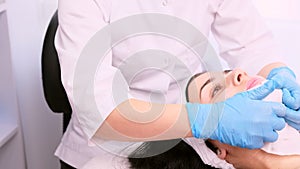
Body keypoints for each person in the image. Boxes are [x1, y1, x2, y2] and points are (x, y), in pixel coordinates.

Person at [55, 0, 300, 168]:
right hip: (111, 144)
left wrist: (279, 74)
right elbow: (98, 108)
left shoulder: (273, 147)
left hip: (195, 134)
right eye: (215, 87)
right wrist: (204, 118)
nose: (238, 74)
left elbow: (253, 45)